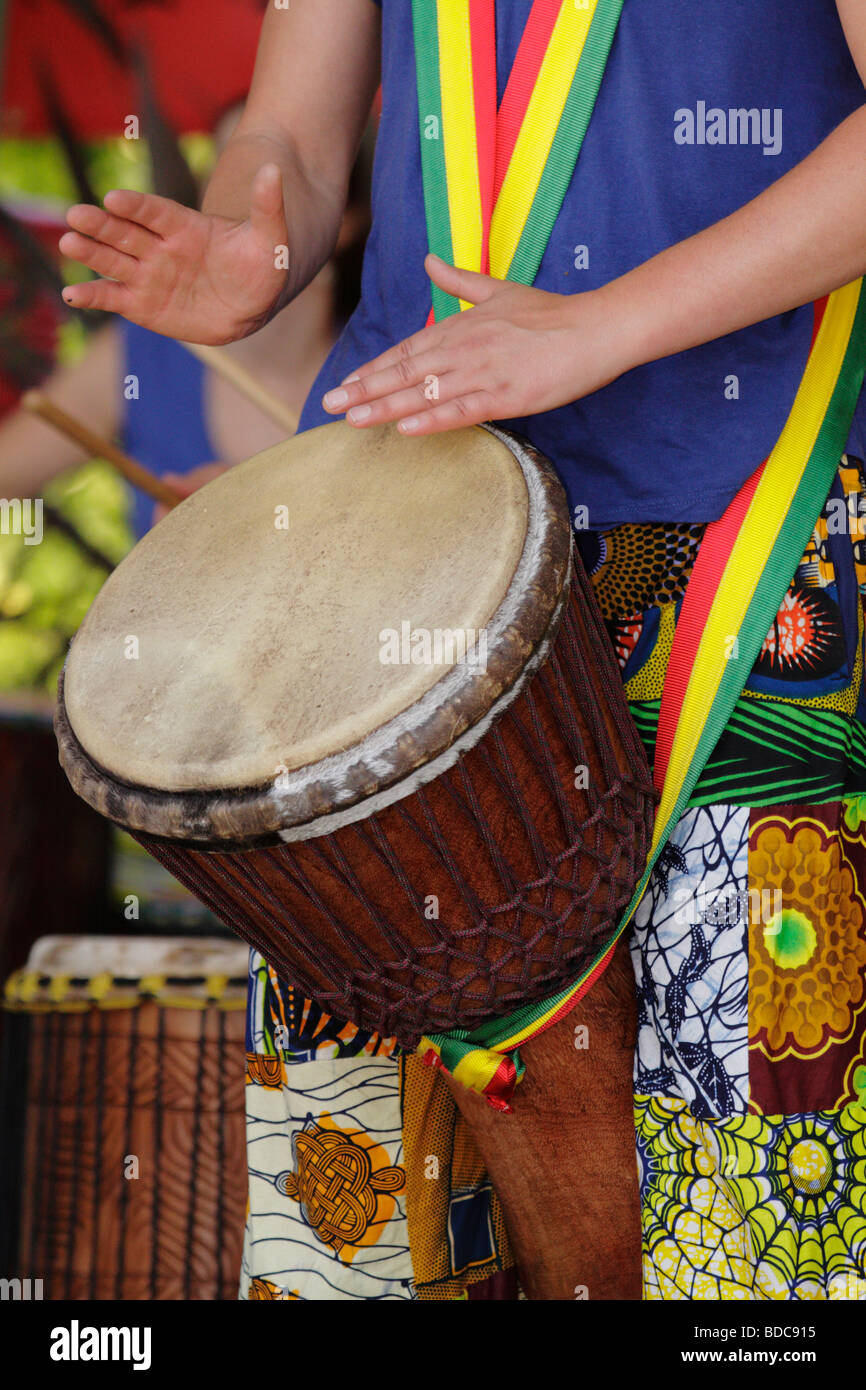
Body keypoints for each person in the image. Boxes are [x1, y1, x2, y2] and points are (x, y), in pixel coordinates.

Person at [58, 0, 866, 1301]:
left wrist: (603, 323)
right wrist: (261, 235)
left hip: (747, 512)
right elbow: (294, 136)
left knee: (744, 1232)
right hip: (401, 522)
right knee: (362, 1212)